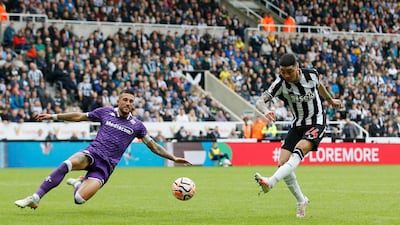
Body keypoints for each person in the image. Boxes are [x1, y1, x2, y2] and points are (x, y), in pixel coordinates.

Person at [15, 89, 191, 209]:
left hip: (106, 167)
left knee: (79, 200)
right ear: (119, 100)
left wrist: (174, 158)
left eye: (131, 101)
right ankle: (35, 198)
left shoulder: (137, 126)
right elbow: (79, 116)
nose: (128, 103)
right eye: (125, 100)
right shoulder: (106, 112)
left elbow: (153, 146)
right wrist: (54, 116)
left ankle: (78, 183)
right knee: (67, 164)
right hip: (93, 153)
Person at [254, 53, 341, 218]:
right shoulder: (280, 83)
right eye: (282, 72)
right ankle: (301, 201)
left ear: (297, 67)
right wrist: (266, 111)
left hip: (317, 121)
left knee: (299, 150)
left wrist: (330, 101)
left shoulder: (311, 74)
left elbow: (319, 86)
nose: (286, 75)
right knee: (282, 163)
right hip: (297, 124)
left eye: (289, 71)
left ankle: (271, 182)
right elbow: (260, 101)